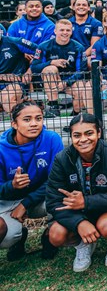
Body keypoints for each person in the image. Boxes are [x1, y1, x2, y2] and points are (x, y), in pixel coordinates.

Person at [44, 113, 107, 271]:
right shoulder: (62, 159)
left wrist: (86, 202)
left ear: (99, 133)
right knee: (56, 235)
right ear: (71, 137)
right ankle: (82, 244)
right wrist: (79, 223)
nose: (83, 139)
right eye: (77, 135)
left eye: (89, 133)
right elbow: (53, 200)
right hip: (79, 212)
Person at [0, 101, 63, 261]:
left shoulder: (52, 139)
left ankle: (49, 237)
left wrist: (25, 204)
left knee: (63, 197)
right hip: (8, 201)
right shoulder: (1, 148)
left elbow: (56, 179)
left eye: (38, 118)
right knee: (7, 236)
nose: (34, 124)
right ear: (14, 124)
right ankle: (19, 237)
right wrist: (12, 186)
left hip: (40, 198)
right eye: (27, 119)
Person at [31, 18, 90, 118]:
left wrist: (66, 82)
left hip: (71, 81)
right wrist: (52, 62)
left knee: (81, 88)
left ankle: (75, 115)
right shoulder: (44, 46)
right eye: (62, 30)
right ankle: (54, 107)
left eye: (68, 30)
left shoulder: (78, 47)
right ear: (55, 31)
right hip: (51, 82)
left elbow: (81, 71)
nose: (65, 33)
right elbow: (34, 67)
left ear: (71, 32)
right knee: (50, 69)